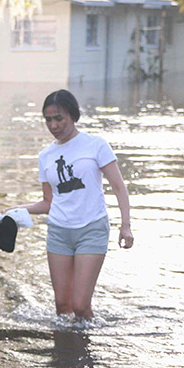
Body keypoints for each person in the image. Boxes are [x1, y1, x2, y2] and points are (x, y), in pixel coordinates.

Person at [21, 89, 133, 320]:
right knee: (62, 306)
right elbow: (48, 202)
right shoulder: (45, 156)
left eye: (59, 118)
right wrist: (18, 210)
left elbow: (119, 187)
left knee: (80, 305)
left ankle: (87, 350)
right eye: (48, 120)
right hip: (59, 232)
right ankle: (67, 354)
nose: (53, 125)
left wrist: (126, 225)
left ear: (72, 115)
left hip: (91, 229)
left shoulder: (95, 145)